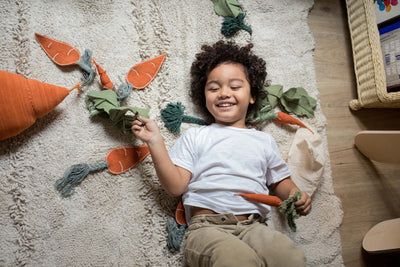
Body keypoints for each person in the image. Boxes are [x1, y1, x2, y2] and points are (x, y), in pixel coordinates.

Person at [132, 41, 312, 267]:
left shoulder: (263, 140)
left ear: (252, 95)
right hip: (207, 229)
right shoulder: (196, 137)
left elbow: (279, 181)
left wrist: (295, 195)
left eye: (235, 87)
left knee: (290, 257)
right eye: (214, 88)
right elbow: (175, 186)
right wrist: (155, 142)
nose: (224, 93)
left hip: (253, 227)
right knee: (237, 261)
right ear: (204, 96)